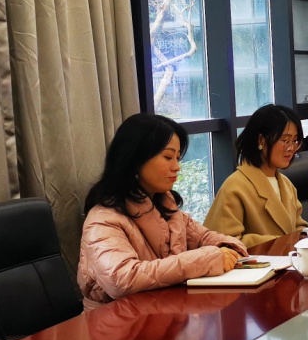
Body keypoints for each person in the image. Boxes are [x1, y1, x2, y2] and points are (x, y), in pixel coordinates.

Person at [78, 114, 247, 308]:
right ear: (135, 159)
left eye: (178, 158)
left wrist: (229, 249)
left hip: (162, 311)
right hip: (114, 321)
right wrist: (206, 260)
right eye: (168, 157)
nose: (177, 167)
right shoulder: (102, 219)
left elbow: (205, 237)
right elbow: (122, 279)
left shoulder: (166, 205)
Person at [203, 104, 308, 246]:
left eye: (295, 141)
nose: (291, 148)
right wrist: (280, 242)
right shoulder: (234, 187)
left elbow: (299, 226)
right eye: (285, 141)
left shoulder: (286, 184)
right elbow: (226, 243)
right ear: (261, 140)